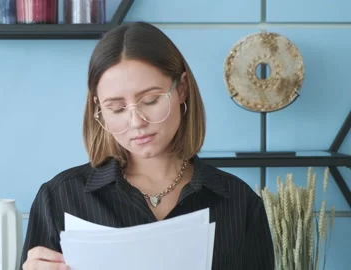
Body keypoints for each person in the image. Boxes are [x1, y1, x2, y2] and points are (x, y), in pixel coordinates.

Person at [21, 21, 275, 270]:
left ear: (182, 89)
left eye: (151, 100)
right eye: (117, 108)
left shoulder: (240, 203)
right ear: (99, 108)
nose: (136, 122)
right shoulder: (59, 199)